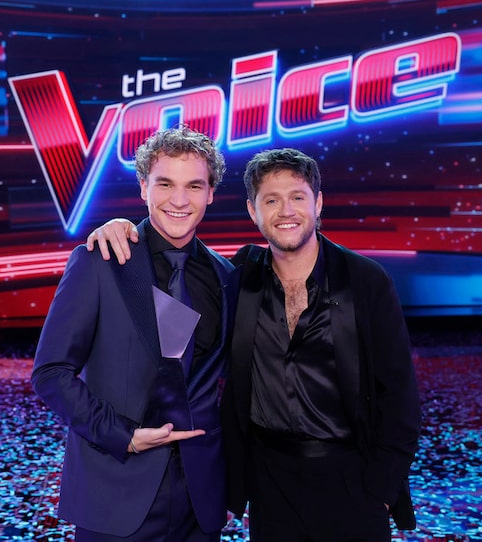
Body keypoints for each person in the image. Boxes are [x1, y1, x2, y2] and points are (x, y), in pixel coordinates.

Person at [86, 148, 421, 541]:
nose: (286, 211)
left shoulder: (365, 280)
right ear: (252, 210)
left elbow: (399, 395)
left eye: (297, 197)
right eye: (271, 200)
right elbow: (175, 324)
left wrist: (381, 489)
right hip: (269, 483)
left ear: (318, 203)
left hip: (351, 478)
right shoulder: (239, 277)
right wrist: (124, 228)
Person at [32, 126, 238, 541]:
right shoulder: (100, 260)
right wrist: (123, 436)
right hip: (115, 493)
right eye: (165, 184)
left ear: (211, 193)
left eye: (194, 186)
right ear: (144, 186)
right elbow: (50, 373)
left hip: (200, 502)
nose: (179, 200)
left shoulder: (226, 276)